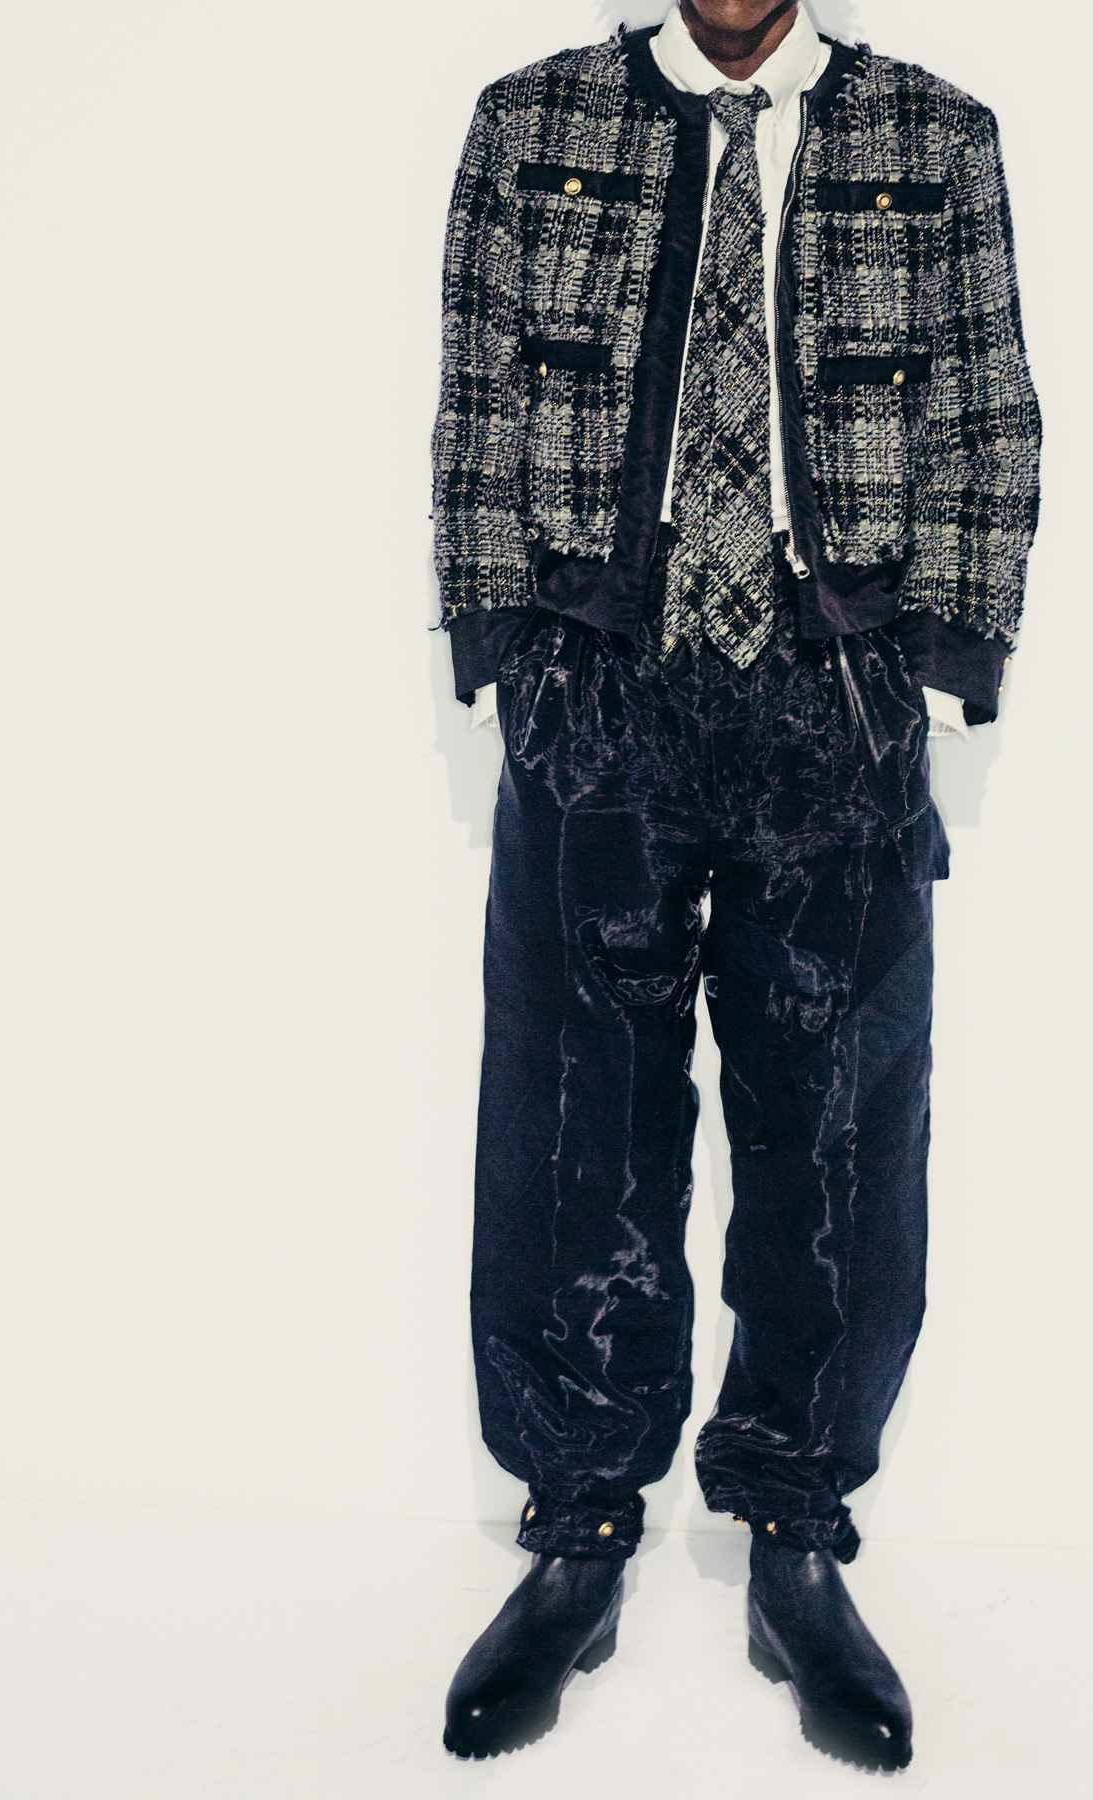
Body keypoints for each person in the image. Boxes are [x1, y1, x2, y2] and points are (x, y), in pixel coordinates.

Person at [429, 0, 1041, 1769]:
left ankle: (795, 1535)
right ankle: (578, 1528)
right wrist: (510, 648)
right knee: (572, 1113)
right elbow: (477, 391)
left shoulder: (935, 135)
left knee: (838, 1125)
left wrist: (937, 661)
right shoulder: (531, 118)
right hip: (600, 674)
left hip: (832, 685)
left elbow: (991, 415)